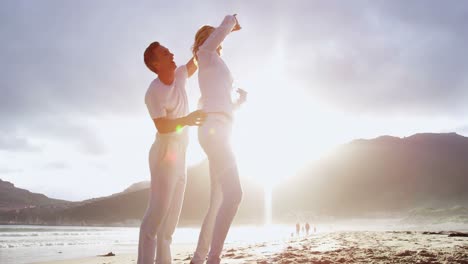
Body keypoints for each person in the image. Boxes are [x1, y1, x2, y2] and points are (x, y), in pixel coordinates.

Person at [137, 41, 206, 264]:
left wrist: (210, 40)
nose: (172, 53)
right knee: (154, 220)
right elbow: (162, 126)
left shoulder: (178, 75)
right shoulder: (153, 93)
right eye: (166, 53)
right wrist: (186, 120)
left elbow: (195, 63)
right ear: (156, 64)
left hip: (181, 155)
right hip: (164, 154)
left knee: (169, 228)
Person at [190, 14, 246, 264]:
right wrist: (230, 21)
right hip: (214, 129)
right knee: (234, 194)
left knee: (219, 200)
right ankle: (214, 258)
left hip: (221, 127)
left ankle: (200, 258)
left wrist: (239, 103)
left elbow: (223, 105)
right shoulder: (205, 55)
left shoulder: (216, 64)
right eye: (210, 35)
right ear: (205, 40)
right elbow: (218, 35)